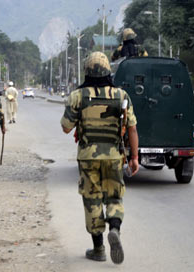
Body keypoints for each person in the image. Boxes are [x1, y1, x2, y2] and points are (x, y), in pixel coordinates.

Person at [60, 51, 139, 265]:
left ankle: (98, 248)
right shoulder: (121, 96)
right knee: (114, 197)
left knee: (92, 199)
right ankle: (114, 228)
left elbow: (66, 128)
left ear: (87, 71)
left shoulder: (78, 96)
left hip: (87, 157)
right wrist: (134, 157)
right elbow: (132, 128)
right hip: (114, 155)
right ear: (107, 71)